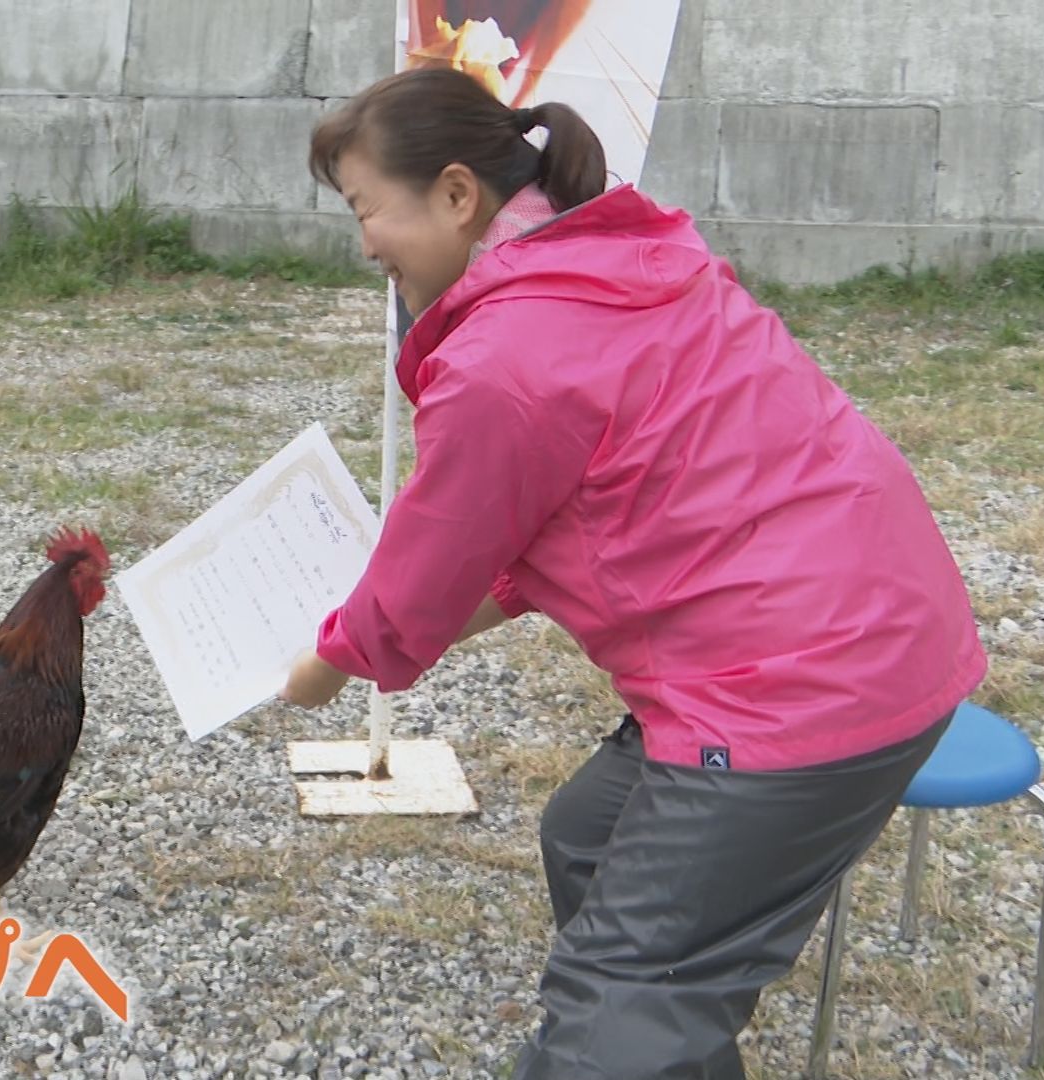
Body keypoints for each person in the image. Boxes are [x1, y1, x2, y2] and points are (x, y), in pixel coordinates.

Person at [278, 67, 988, 1079]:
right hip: (889, 634)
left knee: (613, 1005)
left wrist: (321, 664)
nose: (365, 245)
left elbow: (407, 603)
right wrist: (385, 622)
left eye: (365, 210)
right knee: (588, 835)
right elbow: (569, 528)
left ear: (455, 194)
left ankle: (639, 1030)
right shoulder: (627, 258)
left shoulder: (503, 354)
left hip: (790, 689)